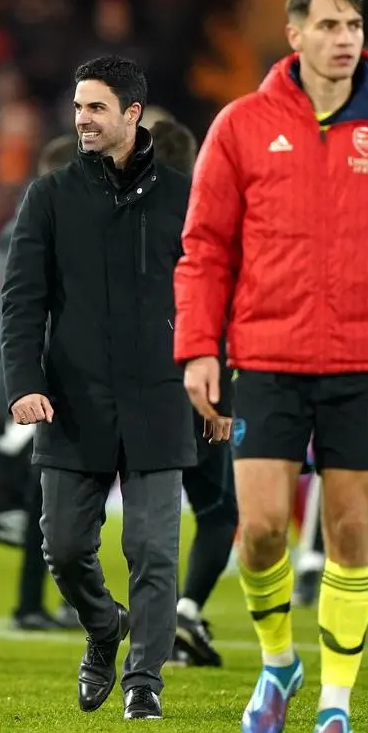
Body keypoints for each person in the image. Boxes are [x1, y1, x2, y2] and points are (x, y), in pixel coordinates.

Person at [174, 0, 368, 733]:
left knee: (348, 531)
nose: (346, 39)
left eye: (355, 25)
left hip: (366, 360)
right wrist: (199, 348)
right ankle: (278, 663)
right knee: (265, 531)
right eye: (331, 25)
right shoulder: (241, 127)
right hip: (267, 358)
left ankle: (336, 702)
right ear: (295, 35)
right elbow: (205, 249)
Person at [1, 55, 196, 721]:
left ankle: (145, 677)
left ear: (132, 114)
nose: (82, 120)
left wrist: (216, 380)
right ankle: (104, 627)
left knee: (152, 548)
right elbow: (21, 301)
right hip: (72, 400)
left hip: (160, 396)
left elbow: (214, 295)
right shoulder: (49, 196)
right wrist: (24, 383)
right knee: (64, 547)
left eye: (96, 108)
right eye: (78, 107)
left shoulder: (183, 196)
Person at [0, 133, 81, 630]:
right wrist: (14, 384)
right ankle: (34, 602)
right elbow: (17, 313)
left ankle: (55, 598)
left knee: (52, 496)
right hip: (32, 382)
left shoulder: (38, 226)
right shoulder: (35, 229)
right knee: (44, 497)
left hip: (32, 378)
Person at [149, 116, 236, 669]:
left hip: (140, 380)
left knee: (150, 506)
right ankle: (183, 607)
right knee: (219, 506)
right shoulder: (206, 214)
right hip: (203, 373)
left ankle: (145, 615)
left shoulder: (126, 212)